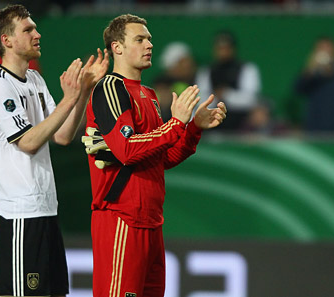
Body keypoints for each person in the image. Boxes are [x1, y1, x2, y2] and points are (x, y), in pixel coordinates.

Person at [83, 14, 227, 297]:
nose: (149, 44)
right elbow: (126, 150)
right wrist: (175, 124)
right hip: (120, 218)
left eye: (149, 38)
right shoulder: (111, 88)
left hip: (150, 221)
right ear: (117, 47)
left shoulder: (147, 93)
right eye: (140, 39)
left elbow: (163, 157)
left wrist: (193, 129)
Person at [0, 4, 109, 297]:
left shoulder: (35, 80)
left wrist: (83, 92)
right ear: (6, 41)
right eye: (28, 29)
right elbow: (27, 142)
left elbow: (62, 135)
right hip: (19, 214)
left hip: (46, 209)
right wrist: (70, 98)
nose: (37, 34)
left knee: (54, 293)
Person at [195, 30, 263, 132]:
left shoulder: (247, 69)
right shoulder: (206, 71)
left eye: (226, 48)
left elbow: (250, 100)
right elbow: (201, 100)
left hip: (242, 123)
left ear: (233, 49)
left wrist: (226, 94)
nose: (223, 51)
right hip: (212, 123)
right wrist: (215, 98)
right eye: (220, 48)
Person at [293, 36, 334, 134]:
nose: (325, 53)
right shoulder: (311, 77)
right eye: (321, 49)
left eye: (328, 49)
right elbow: (297, 90)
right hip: (313, 132)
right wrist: (310, 69)